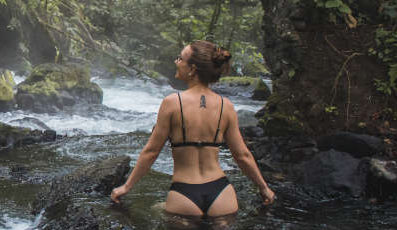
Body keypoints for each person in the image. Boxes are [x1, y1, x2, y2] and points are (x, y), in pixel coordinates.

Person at [110, 40, 275, 216]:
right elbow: (242, 155)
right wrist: (264, 187)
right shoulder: (226, 106)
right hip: (221, 193)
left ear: (193, 69)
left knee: (164, 219)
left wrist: (126, 187)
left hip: (184, 193)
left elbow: (151, 152)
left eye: (180, 59)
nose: (176, 62)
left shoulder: (172, 103)